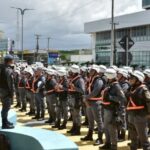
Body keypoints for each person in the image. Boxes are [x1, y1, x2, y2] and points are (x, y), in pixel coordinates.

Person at [100, 68, 126, 150]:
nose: (106, 77)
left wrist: (110, 97)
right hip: (107, 108)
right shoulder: (110, 84)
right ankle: (107, 143)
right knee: (106, 127)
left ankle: (114, 146)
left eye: (107, 76)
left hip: (112, 110)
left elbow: (122, 98)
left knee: (112, 129)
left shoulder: (116, 86)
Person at [81, 65, 105, 146]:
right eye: (90, 70)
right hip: (89, 102)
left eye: (92, 70)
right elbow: (86, 89)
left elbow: (96, 91)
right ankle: (89, 135)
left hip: (96, 102)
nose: (90, 71)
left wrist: (86, 97)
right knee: (90, 121)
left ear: (96, 72)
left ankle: (100, 138)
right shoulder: (91, 79)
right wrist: (86, 98)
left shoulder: (99, 80)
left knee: (99, 121)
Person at [127, 70, 150, 150]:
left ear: (138, 79)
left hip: (140, 115)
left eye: (132, 78)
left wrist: (148, 113)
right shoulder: (131, 88)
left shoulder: (143, 89)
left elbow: (149, 101)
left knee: (143, 138)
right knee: (133, 138)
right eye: (130, 78)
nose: (130, 79)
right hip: (131, 115)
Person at [67, 65, 85, 136]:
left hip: (76, 99)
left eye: (71, 71)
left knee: (77, 115)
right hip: (72, 98)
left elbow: (82, 90)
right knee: (73, 114)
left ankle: (78, 129)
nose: (70, 72)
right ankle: (74, 127)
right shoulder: (73, 78)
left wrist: (75, 88)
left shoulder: (80, 79)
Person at [0, 55, 15, 129]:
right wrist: (12, 93)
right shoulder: (8, 69)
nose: (13, 61)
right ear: (10, 61)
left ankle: (5, 121)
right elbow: (10, 83)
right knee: (6, 107)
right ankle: (4, 124)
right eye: (12, 59)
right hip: (6, 91)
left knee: (5, 107)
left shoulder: (1, 67)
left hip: (1, 90)